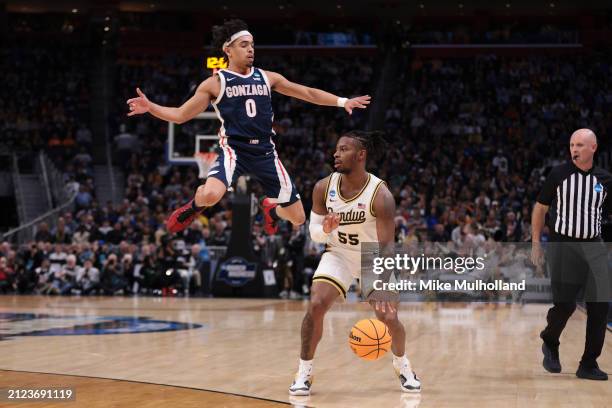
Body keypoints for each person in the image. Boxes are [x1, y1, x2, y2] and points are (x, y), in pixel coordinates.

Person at [126, 19, 370, 235]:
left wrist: (343, 101)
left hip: (265, 151)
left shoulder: (267, 77)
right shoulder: (215, 83)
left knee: (298, 218)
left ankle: (271, 212)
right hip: (234, 150)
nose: (251, 49)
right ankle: (193, 207)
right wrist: (151, 107)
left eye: (252, 45)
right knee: (211, 195)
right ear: (228, 50)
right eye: (244, 45)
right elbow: (180, 115)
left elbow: (306, 92)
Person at [289, 131, 421, 396]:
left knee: (388, 317)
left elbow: (385, 246)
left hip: (371, 257)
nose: (336, 154)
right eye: (336, 149)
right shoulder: (323, 187)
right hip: (337, 253)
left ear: (361, 155)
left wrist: (382, 284)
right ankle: (304, 372)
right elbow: (315, 234)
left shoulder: (381, 195)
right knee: (315, 305)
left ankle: (402, 364)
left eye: (344, 149)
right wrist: (325, 228)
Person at [531, 128, 611, 381]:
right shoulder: (559, 174)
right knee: (565, 305)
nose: (574, 149)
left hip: (594, 246)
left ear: (593, 148)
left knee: (600, 307)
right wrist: (536, 243)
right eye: (572, 144)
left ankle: (588, 364)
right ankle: (550, 340)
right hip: (564, 245)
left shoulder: (605, 180)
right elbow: (540, 208)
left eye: (580, 145)